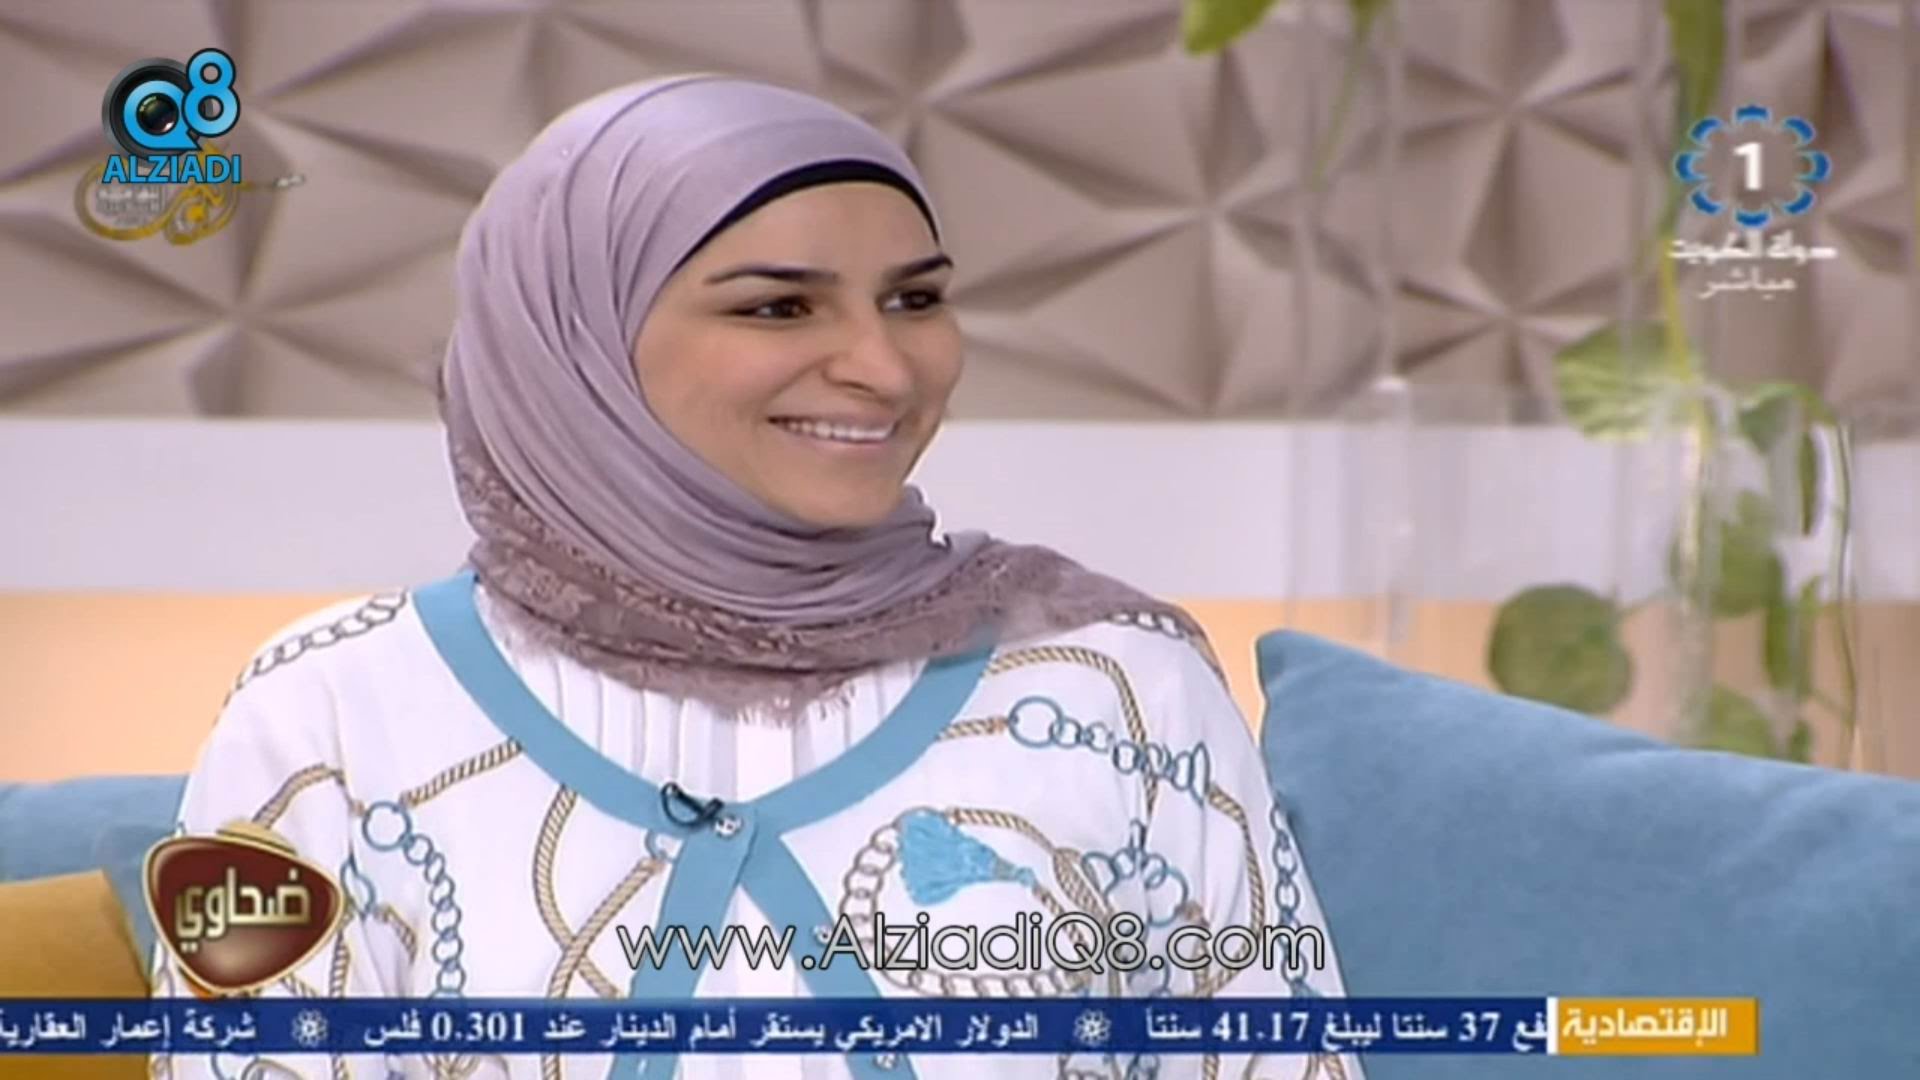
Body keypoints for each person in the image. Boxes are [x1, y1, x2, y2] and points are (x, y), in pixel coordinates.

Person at [150, 74, 1364, 1080]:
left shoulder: (1115, 690)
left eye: (916, 300)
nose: (884, 367)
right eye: (781, 308)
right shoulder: (332, 716)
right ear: (576, 343)